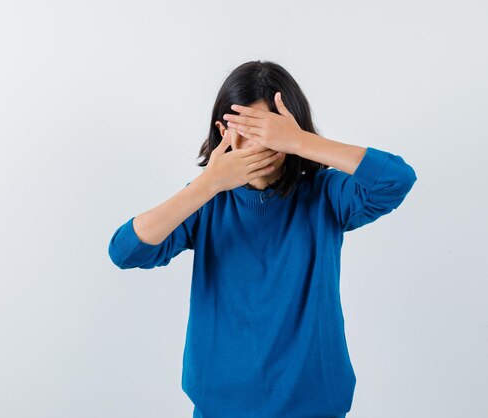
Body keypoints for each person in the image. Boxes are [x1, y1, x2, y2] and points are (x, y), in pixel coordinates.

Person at [107, 60, 417, 418]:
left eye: (271, 131)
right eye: (246, 128)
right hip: (221, 406)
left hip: (316, 404)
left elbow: (396, 179)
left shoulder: (326, 195)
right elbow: (125, 251)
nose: (260, 144)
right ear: (222, 130)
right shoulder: (206, 202)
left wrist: (301, 141)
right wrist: (208, 183)